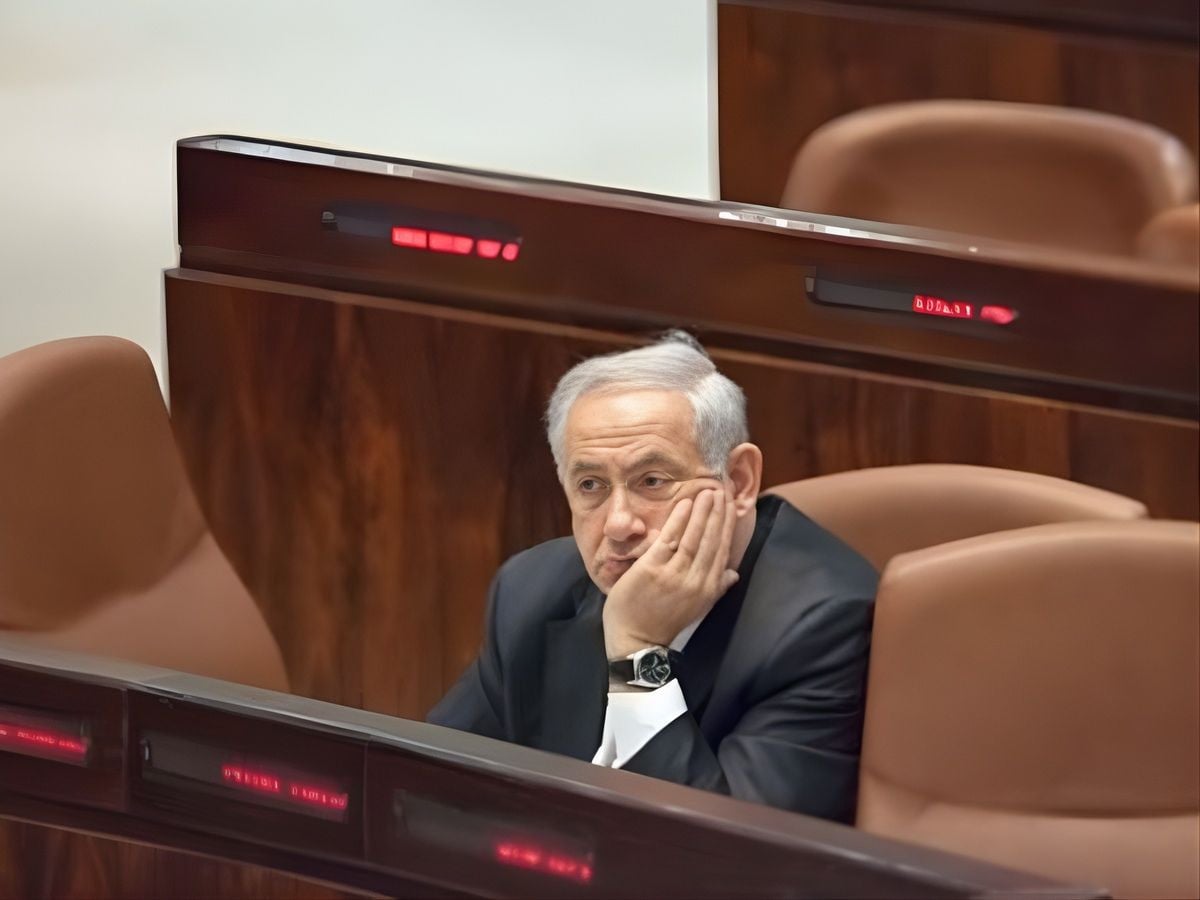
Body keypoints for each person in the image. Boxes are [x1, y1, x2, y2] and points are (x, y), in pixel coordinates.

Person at [428, 331, 877, 822]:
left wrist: (637, 655)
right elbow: (428, 790)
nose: (619, 524)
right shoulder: (532, 591)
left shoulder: (820, 624)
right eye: (591, 485)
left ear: (739, 481)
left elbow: (731, 852)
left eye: (652, 481)